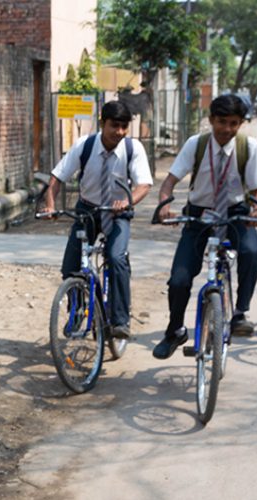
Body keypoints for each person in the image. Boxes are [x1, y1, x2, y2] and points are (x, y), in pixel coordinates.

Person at [152, 94, 257, 359]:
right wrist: (163, 204)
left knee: (251, 252)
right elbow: (169, 182)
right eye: (222, 122)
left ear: (241, 123)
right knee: (179, 279)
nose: (227, 129)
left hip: (235, 213)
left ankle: (240, 312)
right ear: (211, 120)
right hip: (199, 215)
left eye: (234, 123)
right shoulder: (197, 144)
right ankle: (175, 331)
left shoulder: (248, 147)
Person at [42, 100, 153, 339]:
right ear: (103, 123)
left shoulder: (133, 149)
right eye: (115, 125)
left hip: (118, 212)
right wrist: (50, 205)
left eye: (124, 126)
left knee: (115, 258)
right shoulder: (85, 145)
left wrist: (127, 201)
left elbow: (144, 185)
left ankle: (120, 321)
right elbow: (57, 176)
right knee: (71, 266)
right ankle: (78, 311)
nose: (120, 132)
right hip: (88, 210)